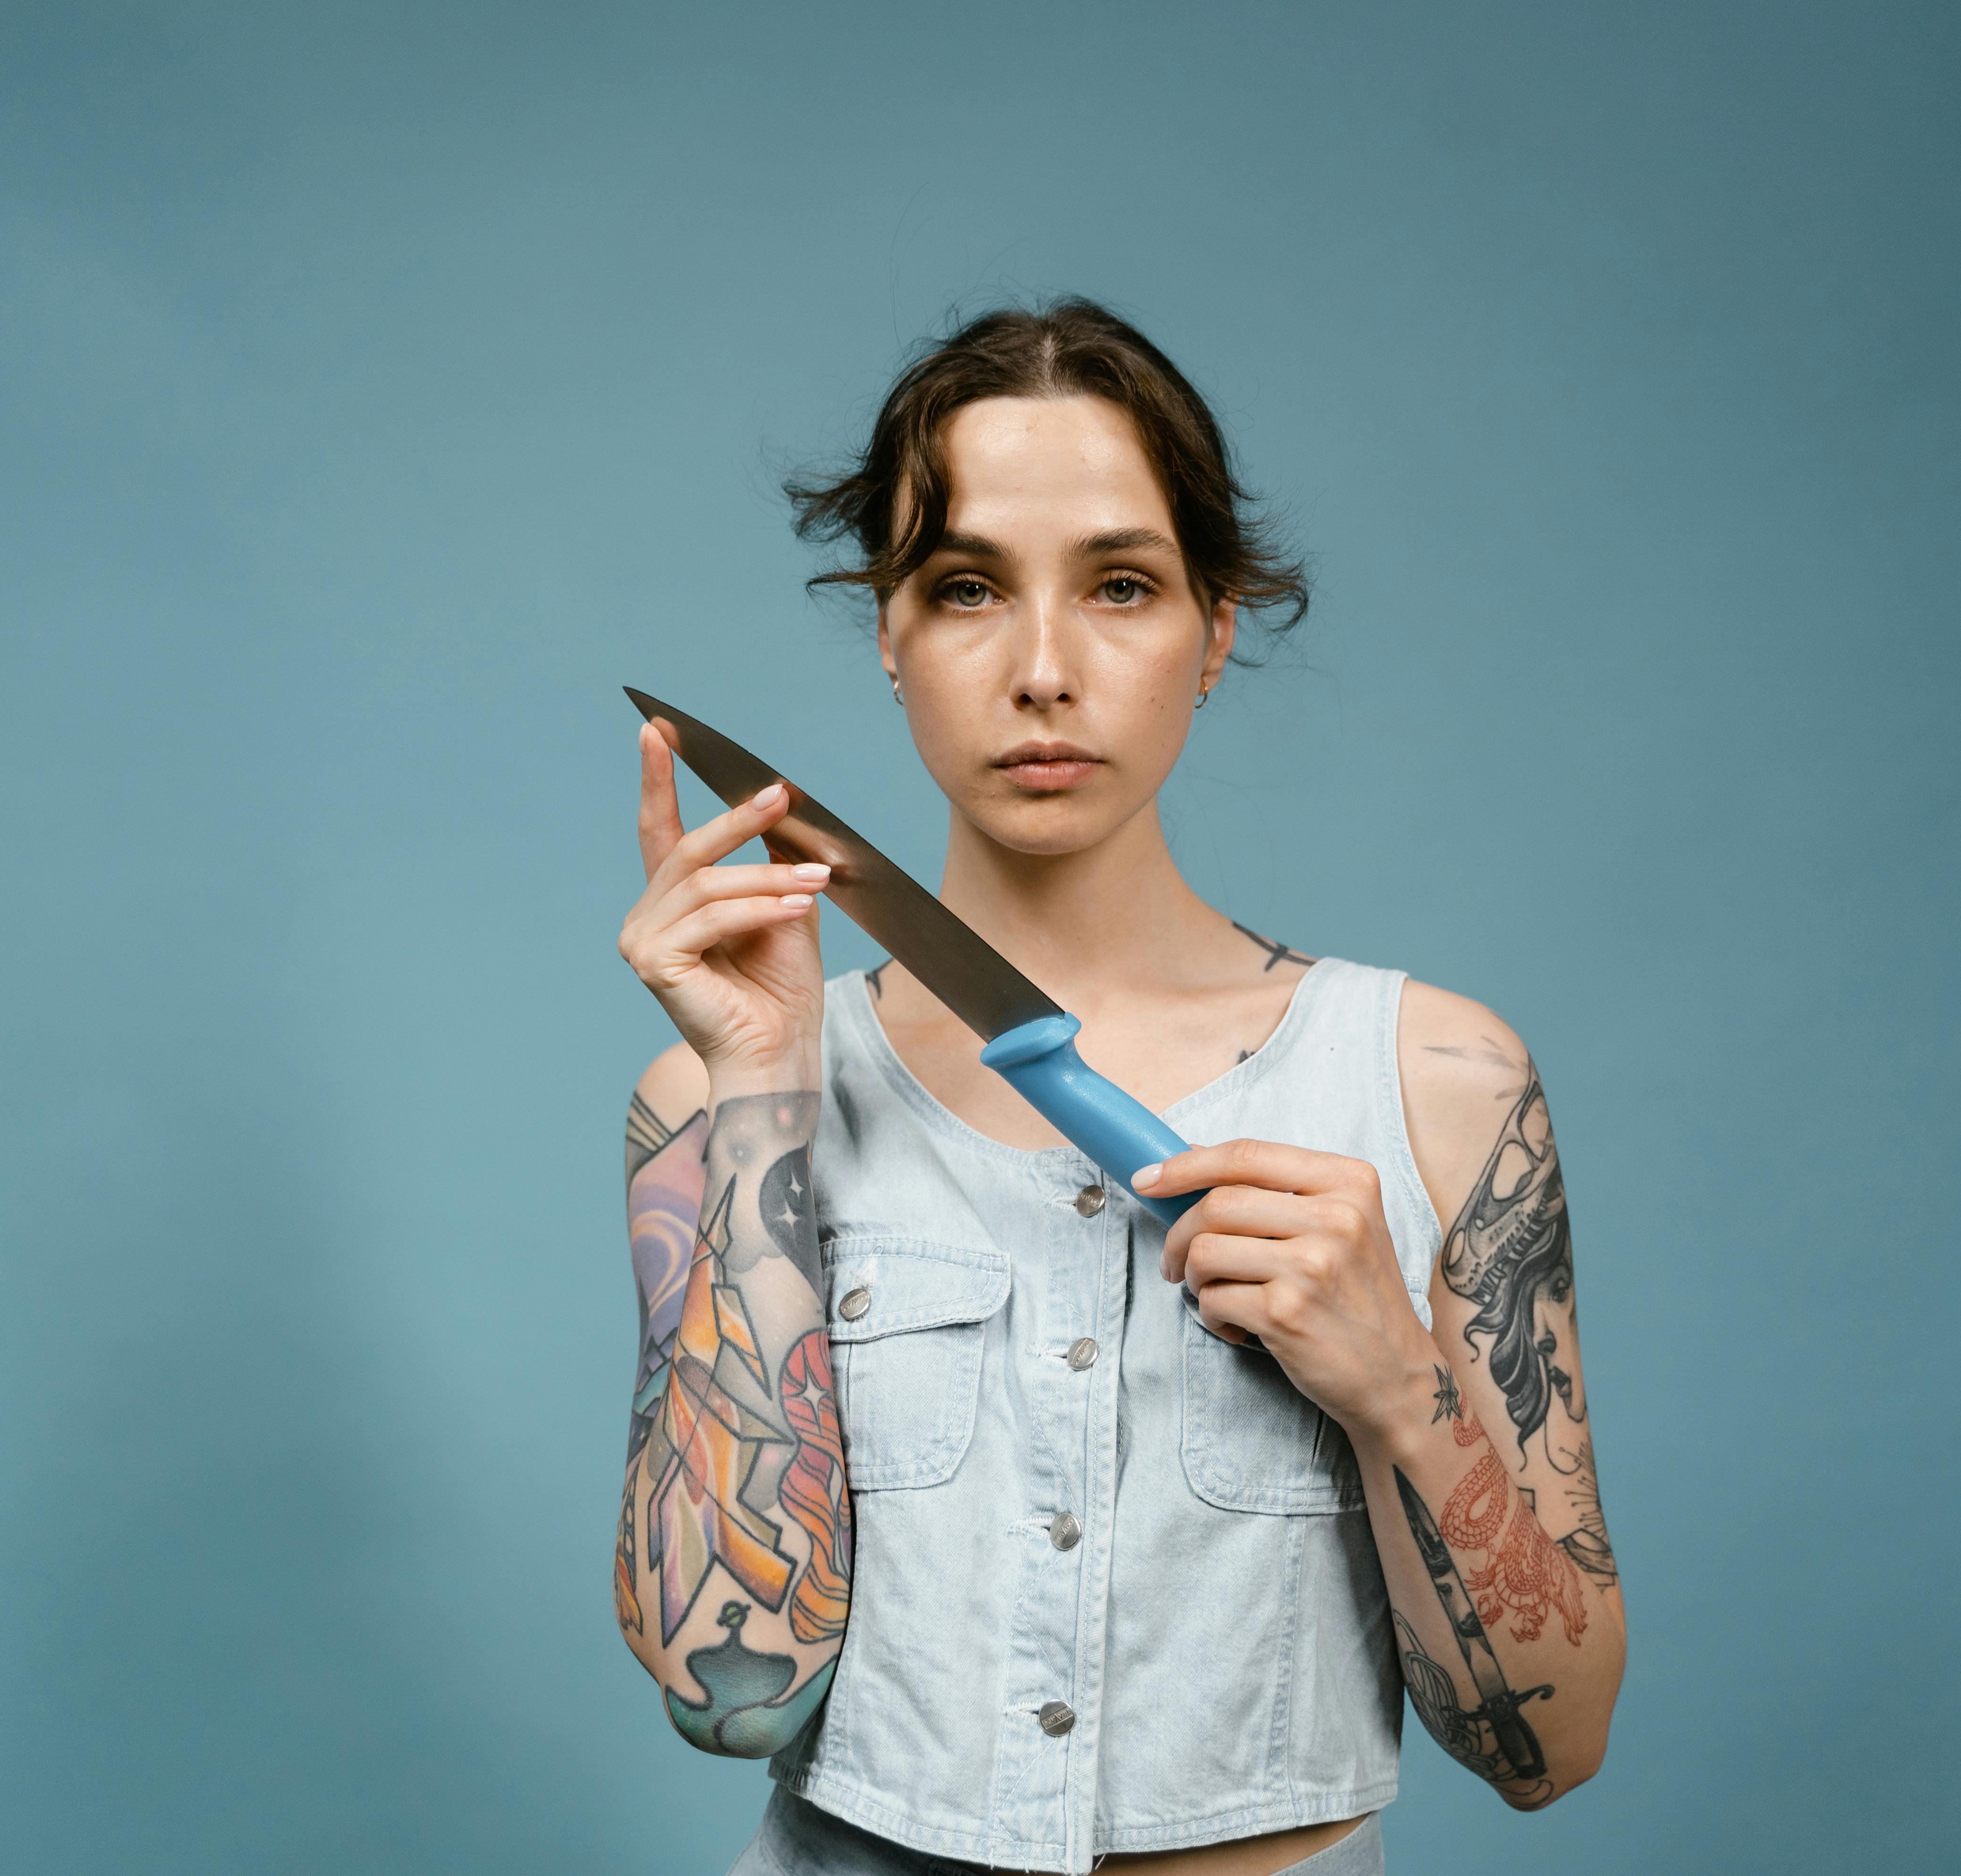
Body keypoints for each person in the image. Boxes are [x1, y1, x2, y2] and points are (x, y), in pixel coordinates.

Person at [614, 301, 1625, 1876]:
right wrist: (759, 1097)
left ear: (1216, 629)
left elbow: (1549, 1748)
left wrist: (1399, 1389)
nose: (1042, 670)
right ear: (889, 633)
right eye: (964, 591)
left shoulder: (1437, 1083)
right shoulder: (717, 1097)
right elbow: (725, 1700)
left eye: (1124, 587)